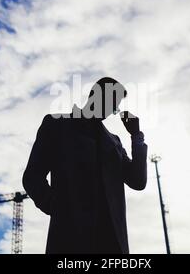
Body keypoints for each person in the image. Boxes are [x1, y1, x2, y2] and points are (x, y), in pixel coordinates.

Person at [22, 77, 148, 253]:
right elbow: (32, 177)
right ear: (95, 95)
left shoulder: (115, 142)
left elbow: (137, 181)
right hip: (70, 241)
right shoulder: (57, 124)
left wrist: (136, 136)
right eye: (112, 104)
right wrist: (58, 209)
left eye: (114, 108)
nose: (111, 111)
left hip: (111, 244)